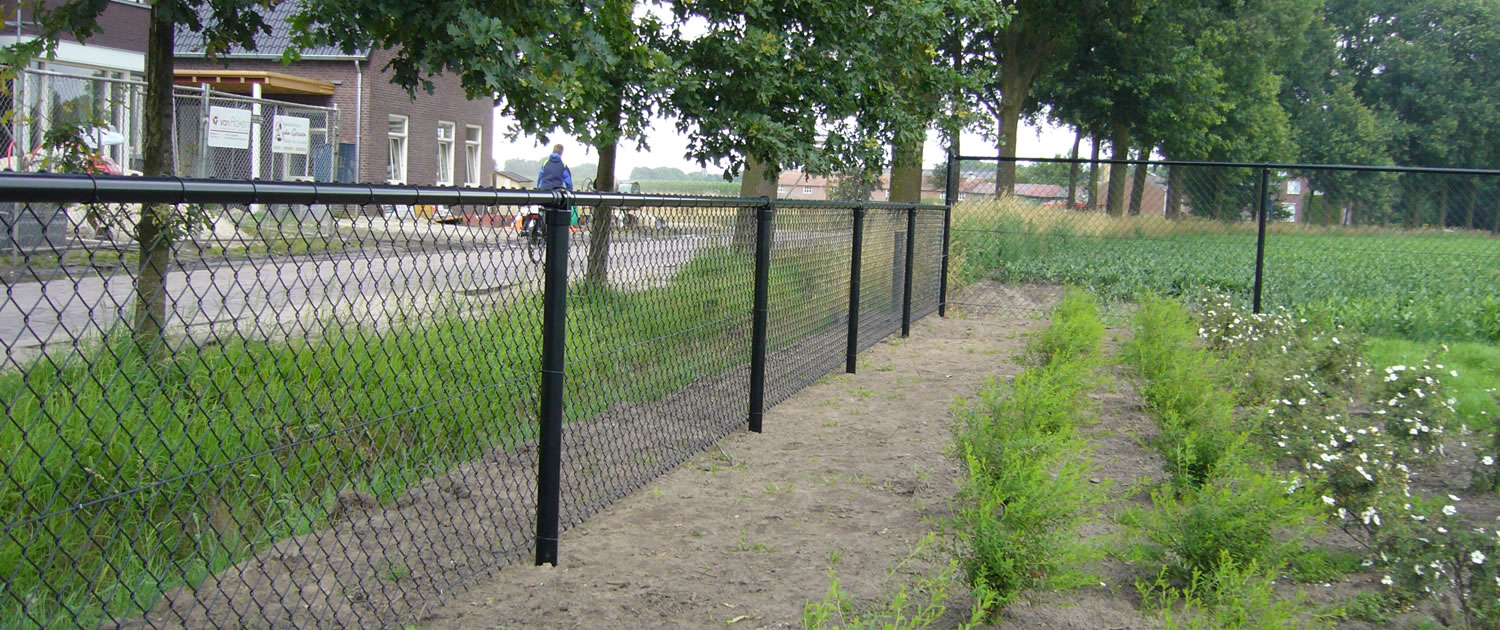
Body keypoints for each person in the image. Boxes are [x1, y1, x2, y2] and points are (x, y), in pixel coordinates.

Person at [528, 144, 573, 233]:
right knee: (560, 209)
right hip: (556, 192)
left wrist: (540, 188)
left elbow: (540, 178)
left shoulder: (545, 163)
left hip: (544, 191)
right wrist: (570, 190)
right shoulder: (563, 165)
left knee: (543, 208)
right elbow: (568, 181)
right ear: (561, 153)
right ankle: (559, 230)